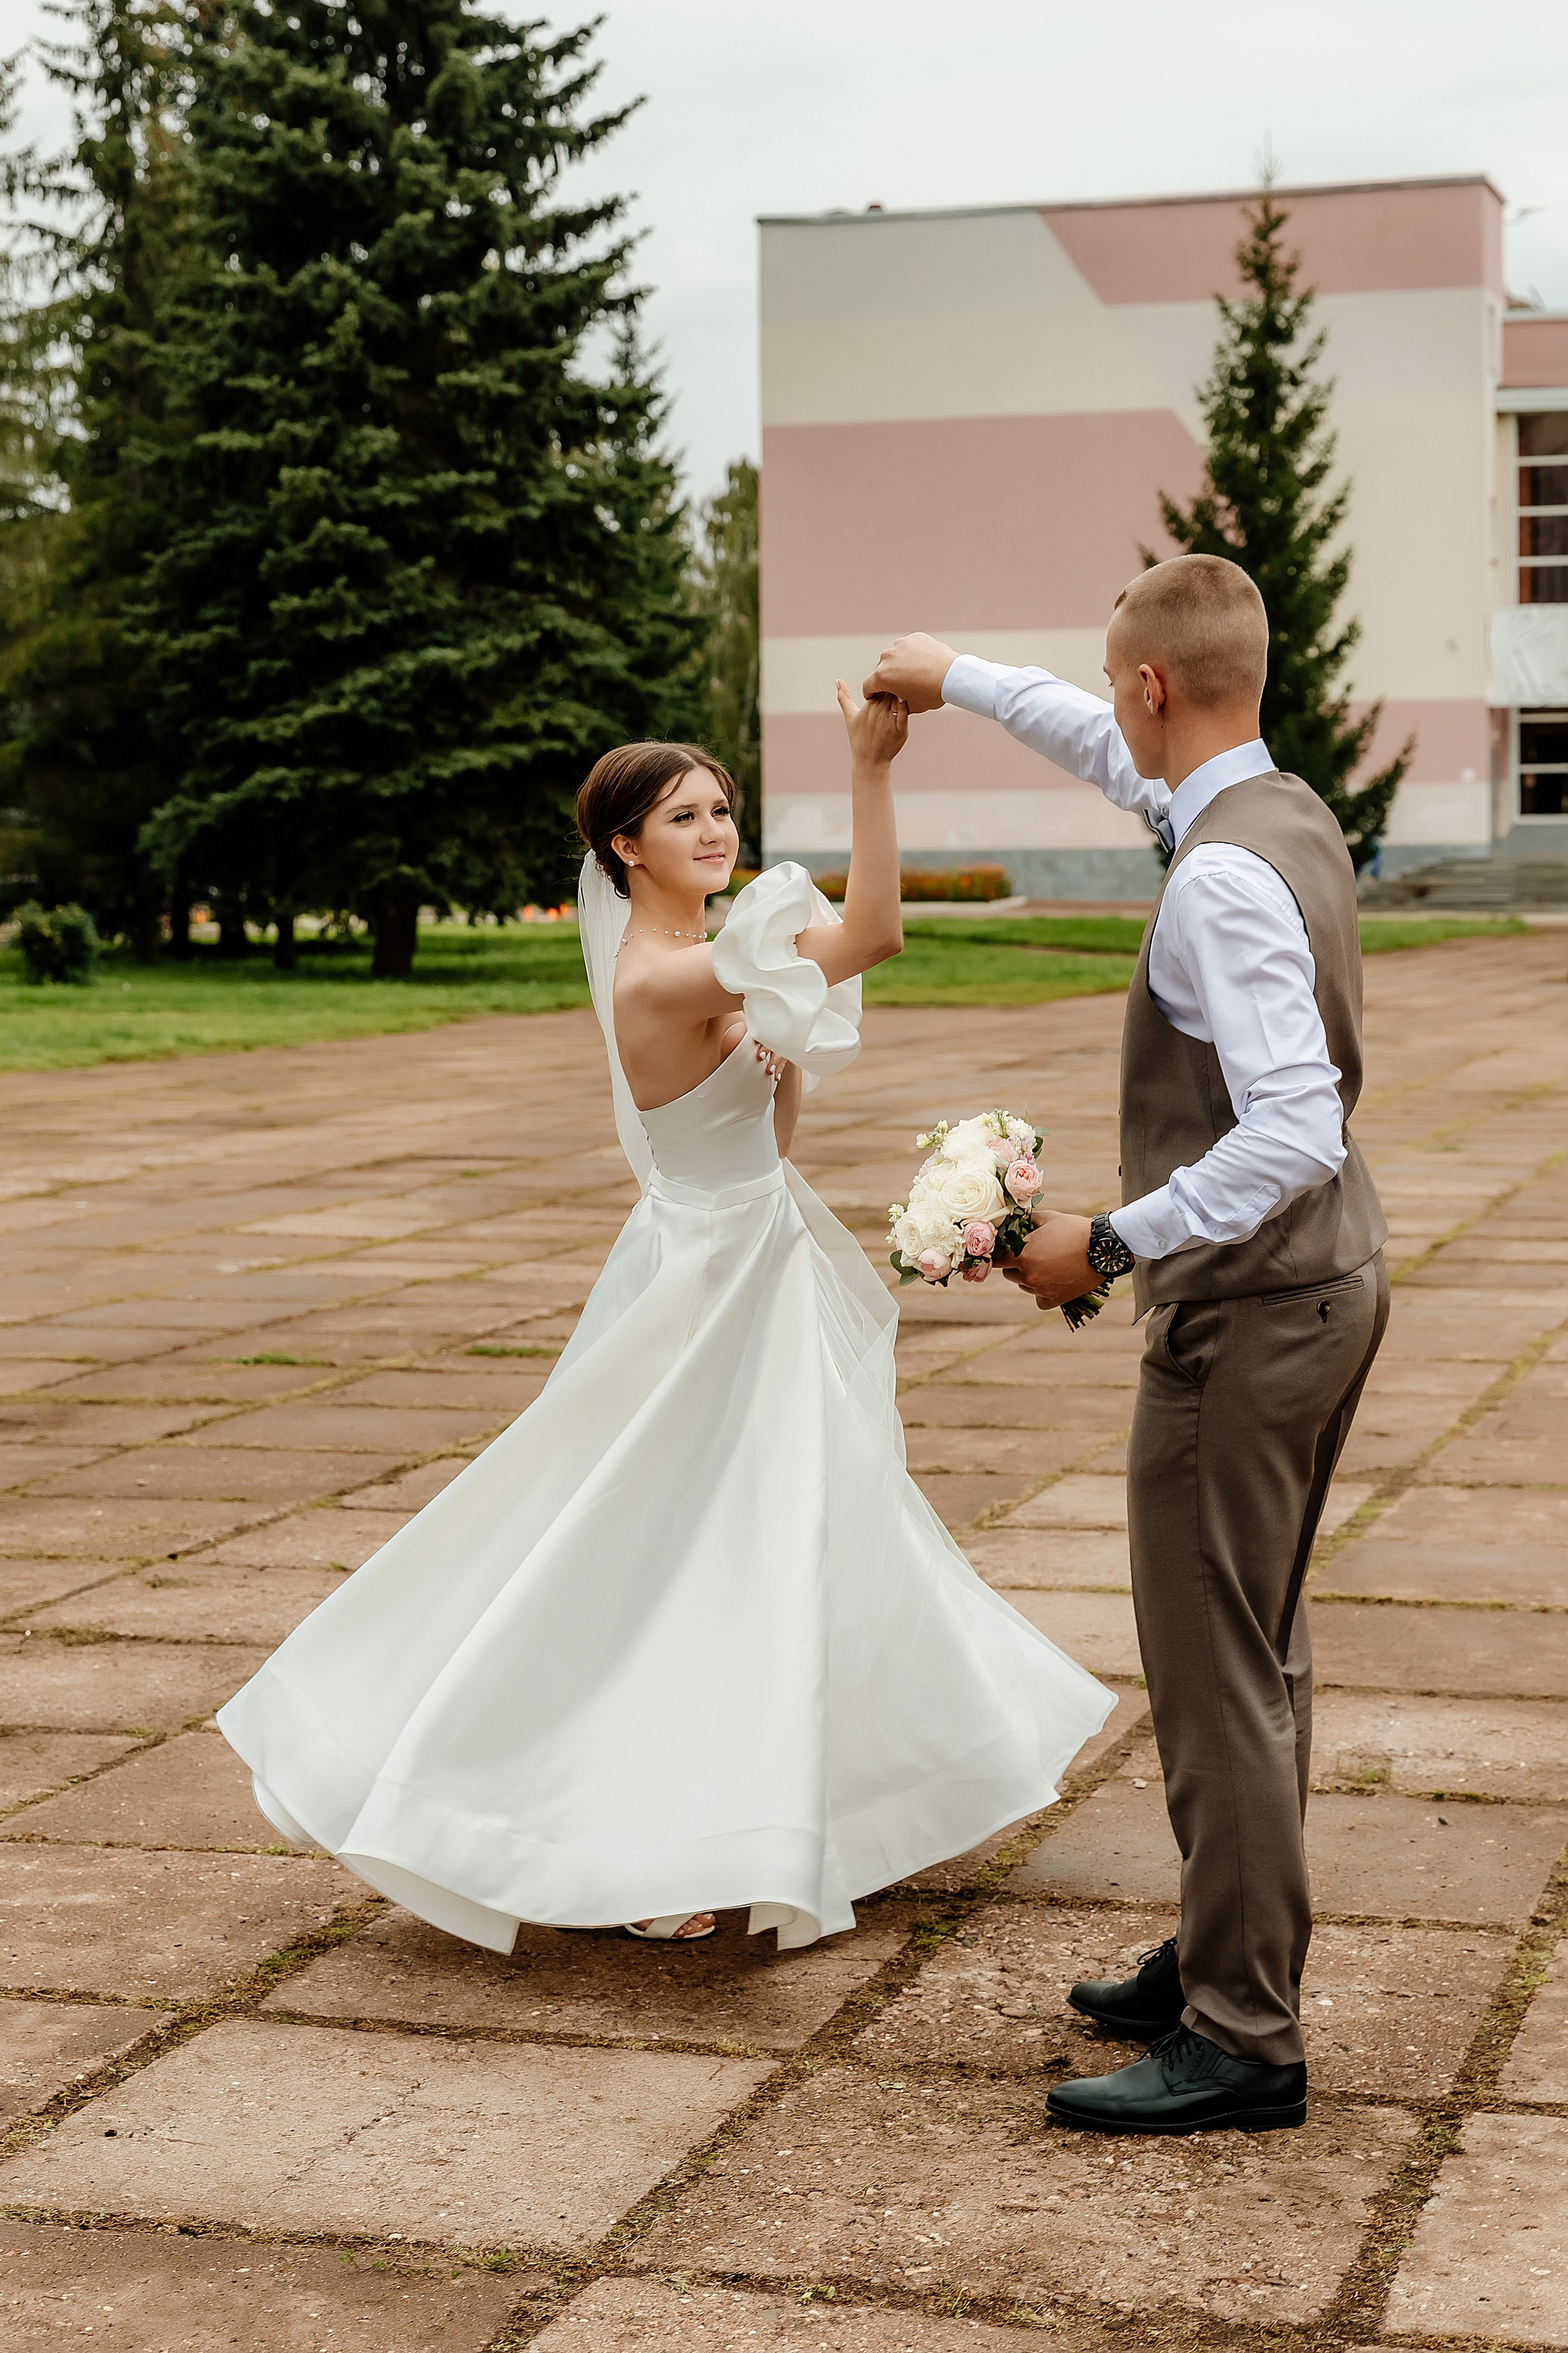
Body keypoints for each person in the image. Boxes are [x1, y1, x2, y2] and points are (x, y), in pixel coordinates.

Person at [216, 682, 1112, 1952]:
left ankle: (767, 1810)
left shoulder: (716, 964)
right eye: (683, 815)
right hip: (707, 1282)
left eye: (724, 808)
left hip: (755, 1255)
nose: (715, 830)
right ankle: (614, 1830)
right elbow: (875, 934)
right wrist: (868, 766)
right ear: (623, 847)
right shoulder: (665, 975)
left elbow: (769, 1133)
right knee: (669, 1542)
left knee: (770, 1533)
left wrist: (778, 1050)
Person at [865, 554, 1389, 2132]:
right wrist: (953, 672)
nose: (1105, 710)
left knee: (1216, 1663)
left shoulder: (1220, 873)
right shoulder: (1268, 805)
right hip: (1328, 1287)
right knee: (1264, 1643)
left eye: (1114, 685)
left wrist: (1105, 1237)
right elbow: (1100, 747)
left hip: (1248, 1314)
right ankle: (1227, 1950)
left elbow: (1293, 1124)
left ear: (1156, 684)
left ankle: (1239, 2036)